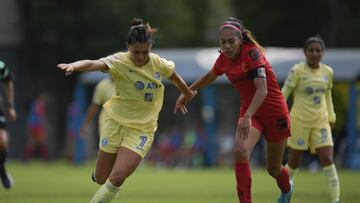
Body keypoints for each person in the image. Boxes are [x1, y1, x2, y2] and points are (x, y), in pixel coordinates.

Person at [57, 18, 197, 203]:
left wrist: (186, 95)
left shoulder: (158, 63)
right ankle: (101, 177)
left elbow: (176, 79)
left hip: (142, 130)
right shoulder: (119, 61)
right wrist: (74, 66)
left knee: (117, 177)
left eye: (145, 52)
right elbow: (93, 63)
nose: (140, 57)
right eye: (136, 52)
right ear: (127, 47)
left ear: (150, 48)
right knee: (101, 178)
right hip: (115, 124)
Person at [174, 17, 293, 203]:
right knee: (240, 151)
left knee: (274, 169)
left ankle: (287, 190)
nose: (227, 46)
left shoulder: (253, 55)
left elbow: (262, 90)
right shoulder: (223, 59)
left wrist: (246, 116)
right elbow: (210, 76)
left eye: (231, 41)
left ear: (241, 40)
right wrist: (187, 93)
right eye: (223, 42)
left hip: (274, 114)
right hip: (251, 114)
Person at [281, 36, 341, 203]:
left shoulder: (327, 72)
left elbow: (327, 96)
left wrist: (331, 116)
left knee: (328, 158)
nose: (315, 53)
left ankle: (336, 200)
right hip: (299, 122)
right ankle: (285, 194)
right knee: (293, 162)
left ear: (323, 53)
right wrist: (278, 114)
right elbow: (284, 93)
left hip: (320, 122)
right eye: (311, 50)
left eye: (318, 50)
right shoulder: (297, 70)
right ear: (305, 52)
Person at [0, 60, 17, 189]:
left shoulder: (1, 66)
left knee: (3, 142)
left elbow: (8, 82)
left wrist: (10, 105)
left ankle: (3, 172)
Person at [23, 93, 49, 161]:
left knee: (32, 142)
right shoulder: (40, 105)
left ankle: (25, 158)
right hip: (37, 126)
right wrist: (44, 127)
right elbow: (41, 117)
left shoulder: (33, 104)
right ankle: (45, 159)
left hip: (31, 125)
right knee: (41, 141)